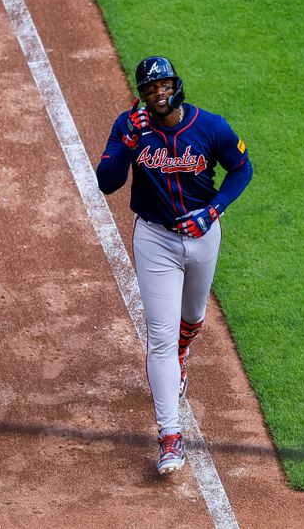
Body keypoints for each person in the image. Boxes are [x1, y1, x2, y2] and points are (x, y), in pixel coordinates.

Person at [96, 56, 253, 475]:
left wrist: (214, 210)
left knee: (194, 317)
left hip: (203, 235)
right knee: (160, 338)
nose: (158, 93)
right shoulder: (130, 127)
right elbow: (106, 181)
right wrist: (127, 146)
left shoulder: (210, 127)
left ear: (175, 85)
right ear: (142, 95)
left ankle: (184, 352)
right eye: (149, 89)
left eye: (163, 85)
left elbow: (242, 168)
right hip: (155, 239)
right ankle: (169, 436)